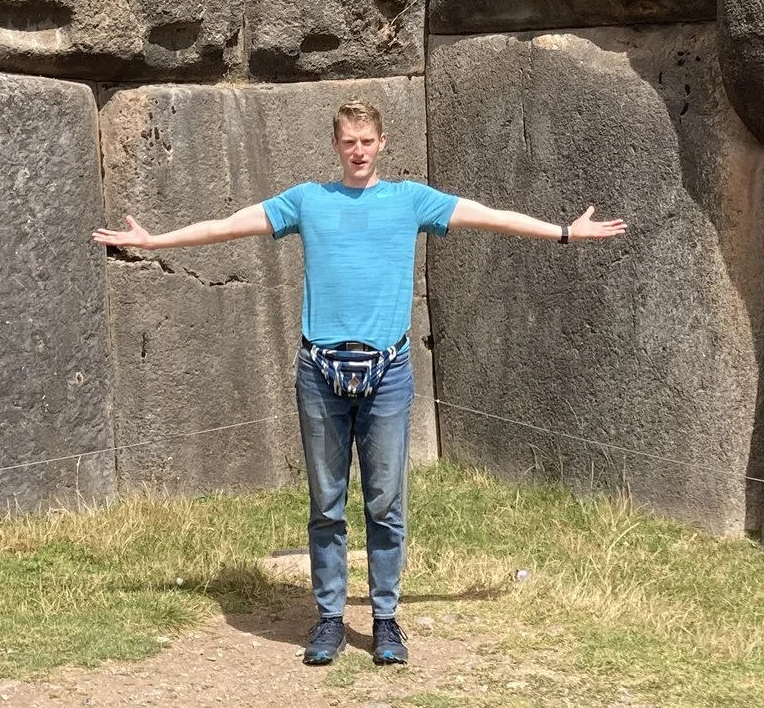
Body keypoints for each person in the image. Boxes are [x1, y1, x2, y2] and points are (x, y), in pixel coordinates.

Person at [91, 98, 624, 667]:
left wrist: (564, 232)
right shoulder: (307, 200)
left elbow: (489, 215)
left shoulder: (410, 200)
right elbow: (227, 226)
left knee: (386, 502)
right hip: (319, 371)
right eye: (349, 142)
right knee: (326, 503)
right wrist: (155, 242)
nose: (359, 151)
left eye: (367, 141)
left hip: (387, 372)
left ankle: (386, 620)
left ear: (383, 143)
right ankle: (327, 620)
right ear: (336, 145)